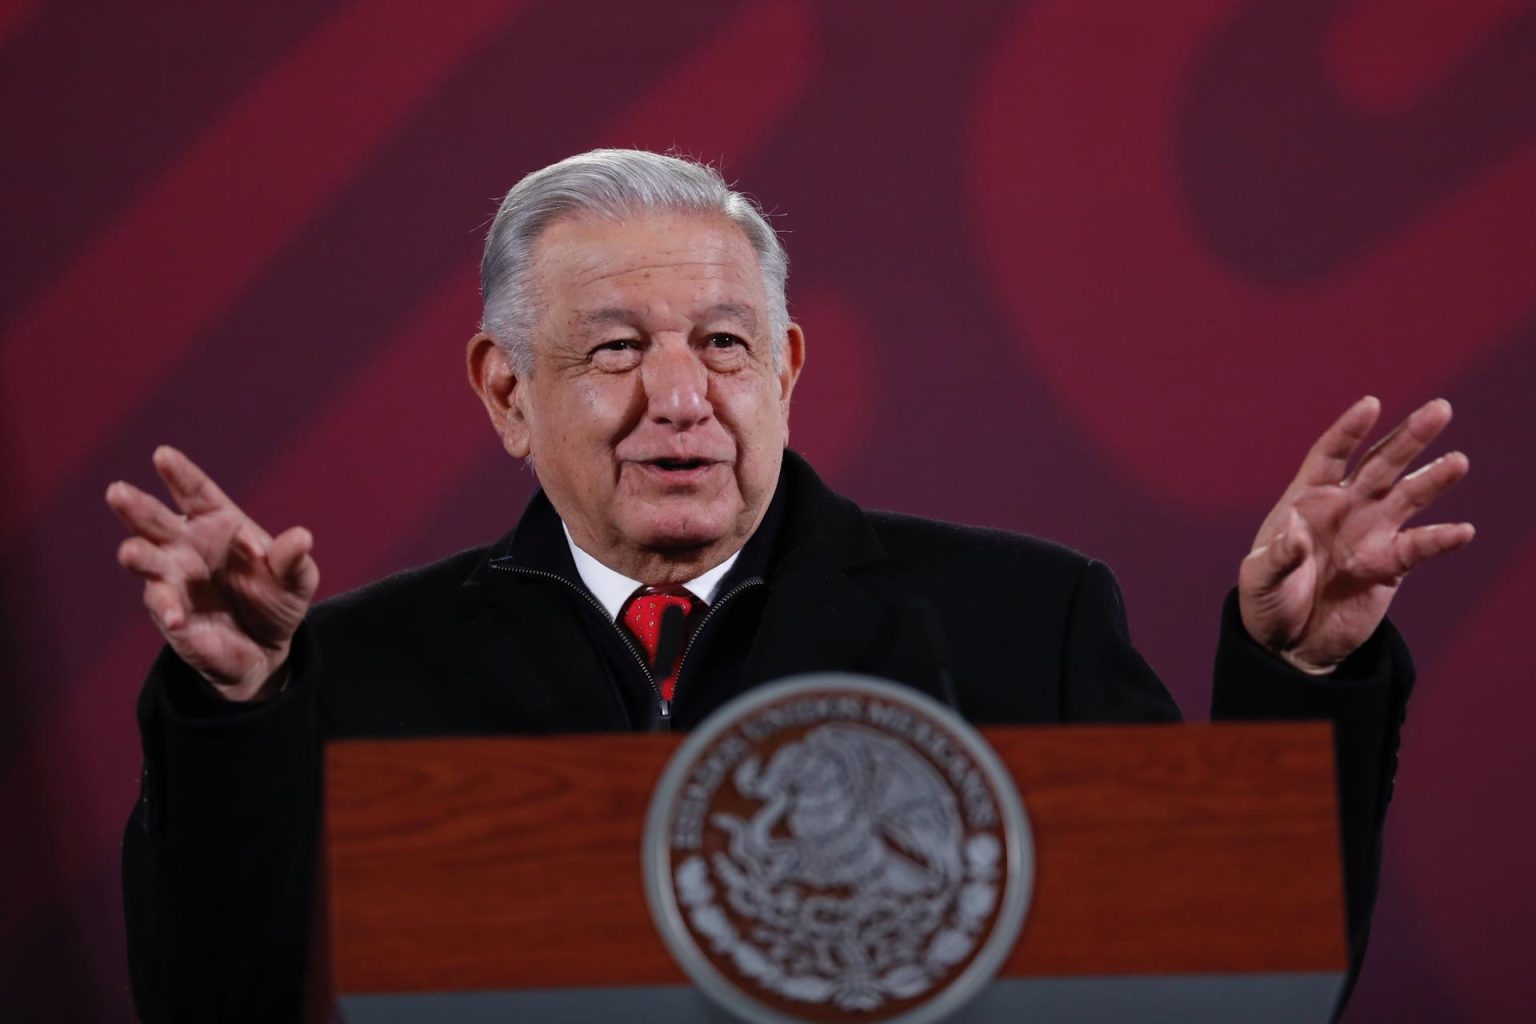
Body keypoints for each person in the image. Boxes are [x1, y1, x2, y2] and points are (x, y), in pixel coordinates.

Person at [107, 150, 1473, 1022]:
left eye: (723, 341)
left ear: (788, 370)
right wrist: (241, 716)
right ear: (506, 390)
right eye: (616, 349)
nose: (683, 398)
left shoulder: (1022, 621)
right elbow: (214, 1001)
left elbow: (1221, 974)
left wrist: (1304, 682)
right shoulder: (348, 673)